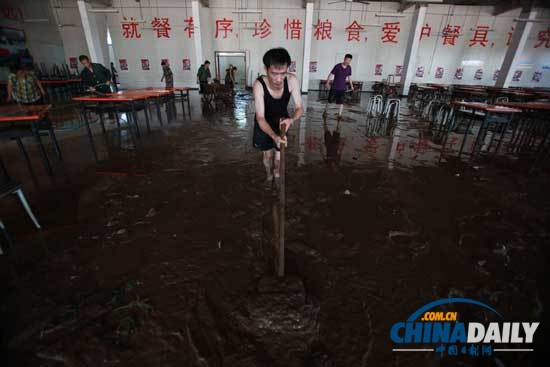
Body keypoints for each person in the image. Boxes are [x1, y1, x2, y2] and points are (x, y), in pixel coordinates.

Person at [253, 48, 303, 183]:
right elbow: (260, 118)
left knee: (279, 157)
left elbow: (299, 108)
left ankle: (276, 173)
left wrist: (291, 120)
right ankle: (268, 174)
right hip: (263, 124)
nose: (279, 79)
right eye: (274, 73)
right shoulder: (259, 85)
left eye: (283, 73)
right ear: (266, 68)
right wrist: (273, 136)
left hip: (282, 122)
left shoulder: (292, 80)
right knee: (267, 156)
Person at [323, 54, 354, 119]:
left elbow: (349, 77)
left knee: (341, 102)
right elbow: (331, 74)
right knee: (330, 101)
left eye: (349, 61)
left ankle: (339, 115)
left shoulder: (349, 68)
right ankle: (325, 111)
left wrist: (352, 86)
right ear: (344, 59)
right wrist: (327, 83)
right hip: (334, 87)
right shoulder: (337, 66)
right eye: (347, 60)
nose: (348, 62)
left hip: (342, 88)